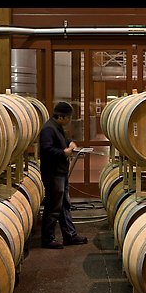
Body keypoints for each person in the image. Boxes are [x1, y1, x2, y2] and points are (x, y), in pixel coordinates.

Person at [39, 101, 88, 249]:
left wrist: (71, 143)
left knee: (64, 205)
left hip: (60, 172)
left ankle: (70, 235)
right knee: (53, 206)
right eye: (68, 117)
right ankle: (48, 239)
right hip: (53, 173)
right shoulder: (48, 129)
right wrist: (63, 152)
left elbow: (63, 140)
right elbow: (46, 150)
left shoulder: (57, 127)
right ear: (61, 117)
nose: (70, 120)